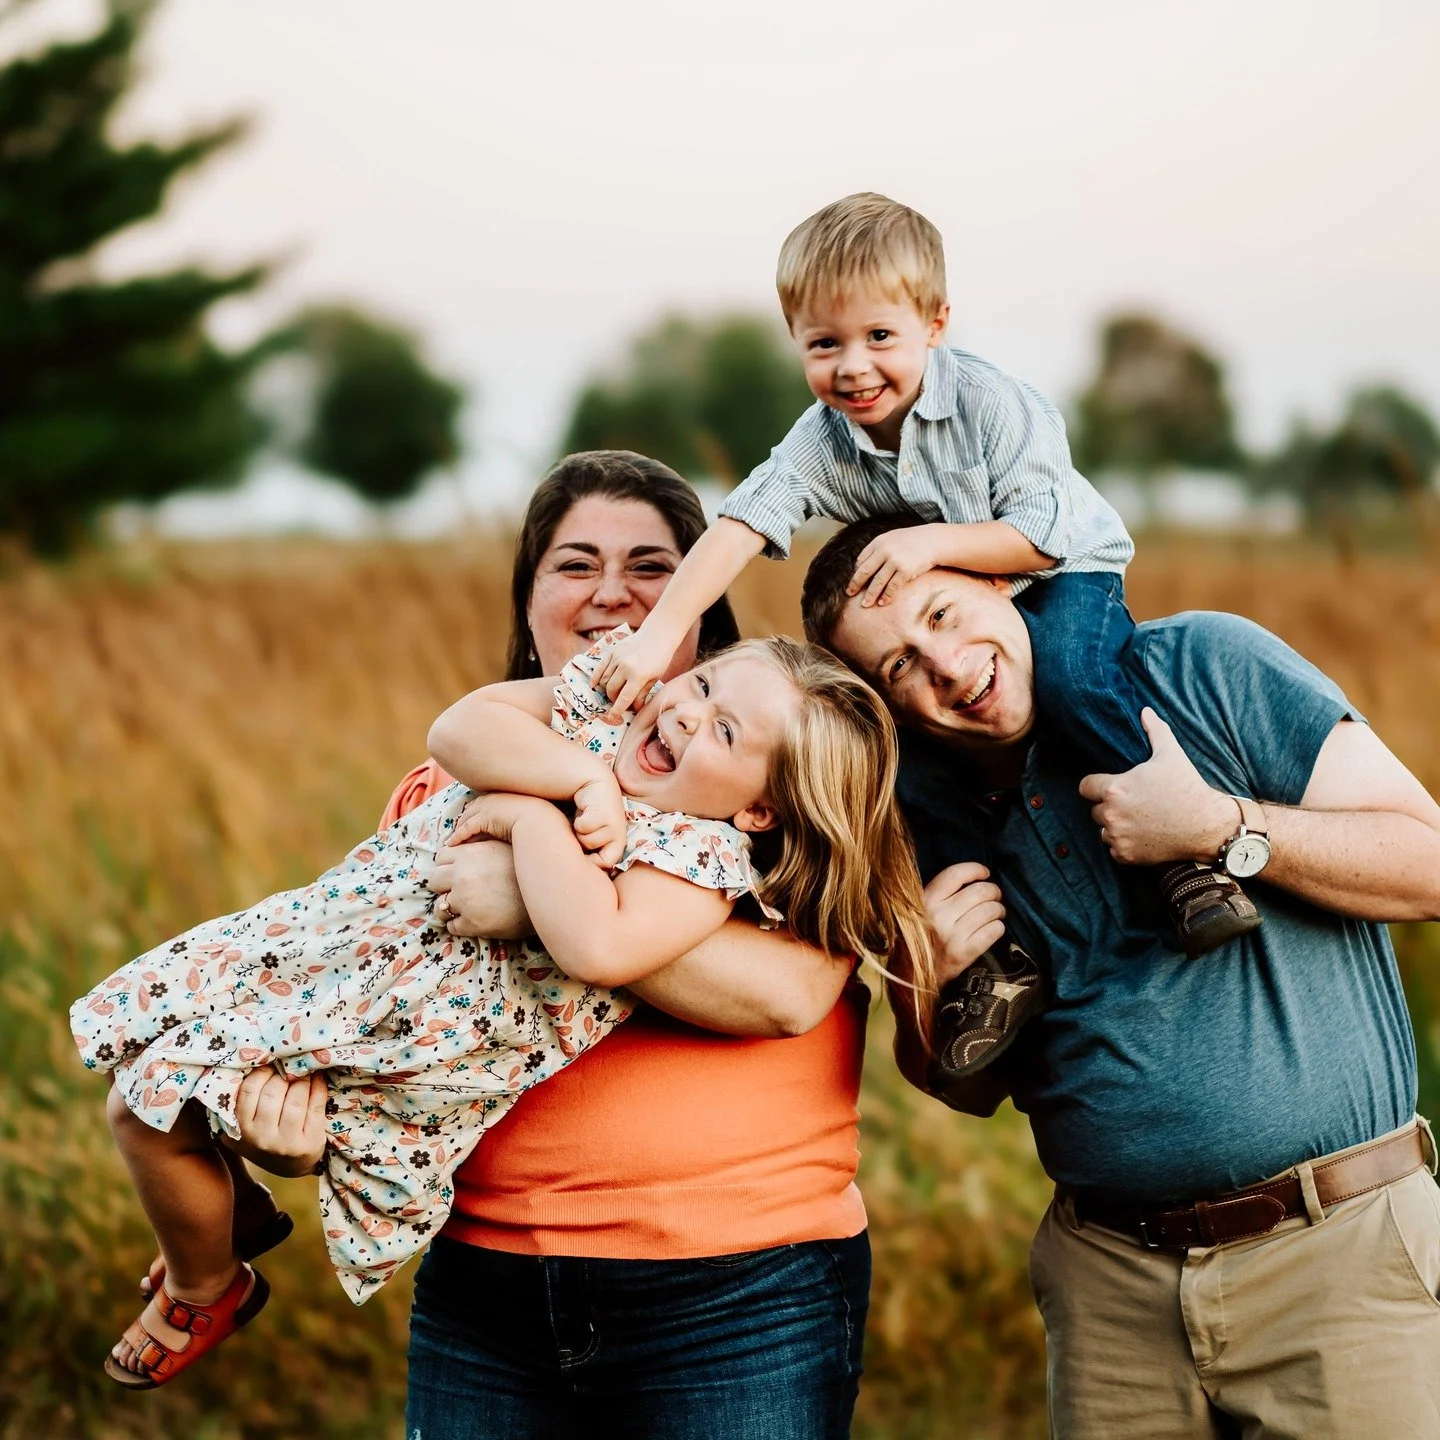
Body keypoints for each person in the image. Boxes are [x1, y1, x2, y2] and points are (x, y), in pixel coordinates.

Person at [160, 452, 884, 1438]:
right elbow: (383, 1019)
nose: (612, 594)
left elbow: (786, 994)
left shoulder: (782, 782)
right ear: (531, 594)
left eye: (653, 567)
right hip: (488, 1295)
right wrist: (287, 1134)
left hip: (737, 1294)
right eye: (574, 564)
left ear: (701, 600)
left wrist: (531, 889)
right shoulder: (445, 792)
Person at [802, 512, 1440, 1439]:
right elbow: (967, 1091)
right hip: (1110, 1289)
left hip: (1335, 1254)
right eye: (898, 665)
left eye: (941, 613)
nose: (942, 667)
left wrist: (1222, 830)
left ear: (996, 580)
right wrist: (919, 985)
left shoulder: (1200, 669)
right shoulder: (921, 825)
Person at [595, 191, 1258, 1073]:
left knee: (1066, 675)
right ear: (797, 342)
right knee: (913, 772)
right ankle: (990, 961)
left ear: (935, 322)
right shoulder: (820, 441)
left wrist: (933, 542)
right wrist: (658, 633)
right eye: (823, 344)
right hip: (949, 598)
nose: (853, 367)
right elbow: (744, 523)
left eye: (879, 337)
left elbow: (1044, 531)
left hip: (1060, 573)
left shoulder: (992, 405)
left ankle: (1184, 865)